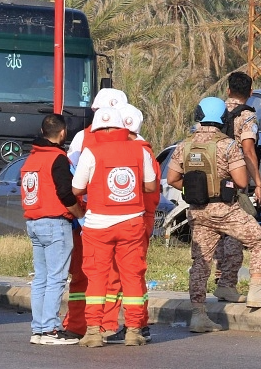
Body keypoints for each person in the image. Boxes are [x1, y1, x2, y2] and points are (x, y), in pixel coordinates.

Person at [167, 97, 261, 334]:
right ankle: (256, 290)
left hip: (197, 212)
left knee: (201, 262)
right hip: (224, 209)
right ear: (223, 118)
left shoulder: (185, 145)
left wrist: (195, 189)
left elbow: (172, 179)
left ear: (199, 115)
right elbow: (241, 181)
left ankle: (199, 315)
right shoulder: (228, 145)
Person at [72, 106, 157, 347]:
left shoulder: (90, 151)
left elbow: (77, 189)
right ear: (123, 128)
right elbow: (150, 186)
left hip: (98, 225)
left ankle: (93, 332)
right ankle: (133, 330)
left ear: (96, 128)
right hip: (132, 223)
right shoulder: (139, 151)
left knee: (97, 278)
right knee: (132, 278)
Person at [63, 87, 128, 339]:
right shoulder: (133, 142)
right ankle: (107, 323)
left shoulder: (82, 138)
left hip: (89, 217)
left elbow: (73, 179)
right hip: (122, 219)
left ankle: (79, 324)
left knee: (84, 274)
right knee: (113, 275)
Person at [100, 103, 160, 345]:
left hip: (124, 219)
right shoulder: (146, 153)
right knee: (135, 274)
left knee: (115, 274)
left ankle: (110, 324)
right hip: (141, 219)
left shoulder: (127, 152)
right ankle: (139, 323)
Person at [21, 114, 83, 345]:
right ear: (63, 132)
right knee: (56, 278)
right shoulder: (57, 158)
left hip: (33, 222)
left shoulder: (32, 159)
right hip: (55, 223)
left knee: (41, 278)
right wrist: (80, 214)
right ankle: (49, 330)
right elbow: (65, 193)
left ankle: (38, 329)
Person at [213, 71, 261, 305]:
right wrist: (258, 182)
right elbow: (248, 150)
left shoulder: (214, 112)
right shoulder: (247, 117)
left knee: (214, 231)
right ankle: (227, 284)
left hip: (211, 180)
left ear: (228, 90)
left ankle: (218, 276)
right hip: (235, 180)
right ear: (251, 93)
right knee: (234, 232)